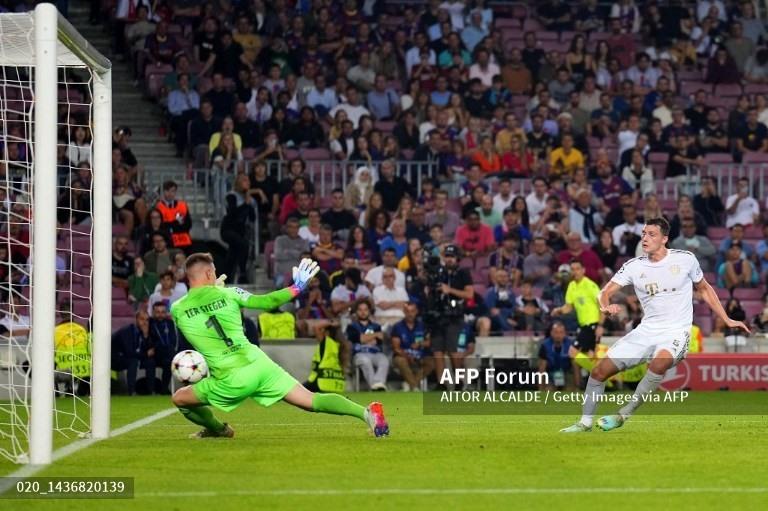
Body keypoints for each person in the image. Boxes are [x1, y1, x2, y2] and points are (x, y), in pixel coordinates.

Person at [561, 218, 749, 433]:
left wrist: (726, 319)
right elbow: (605, 292)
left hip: (676, 331)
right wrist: (604, 307)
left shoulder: (686, 259)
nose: (645, 238)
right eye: (643, 234)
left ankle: (624, 413)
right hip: (646, 330)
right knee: (599, 371)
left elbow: (704, 289)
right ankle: (584, 423)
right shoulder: (633, 266)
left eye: (651, 234)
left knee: (659, 364)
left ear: (665, 238)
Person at [170, 254, 389, 438]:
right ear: (209, 274)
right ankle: (367, 413)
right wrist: (297, 287)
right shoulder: (231, 293)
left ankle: (218, 429)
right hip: (259, 364)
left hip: (230, 376)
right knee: (311, 400)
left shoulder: (177, 308)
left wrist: (212, 291)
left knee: (180, 398)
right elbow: (267, 302)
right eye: (215, 272)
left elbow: (201, 311)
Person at [346, 299, 389, 391]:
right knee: (365, 361)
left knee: (384, 360)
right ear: (356, 312)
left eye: (365, 310)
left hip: (375, 353)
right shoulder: (351, 327)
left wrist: (365, 338)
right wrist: (374, 335)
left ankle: (378, 384)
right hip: (359, 354)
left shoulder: (376, 326)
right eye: (360, 310)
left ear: (369, 311)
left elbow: (379, 340)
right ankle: (375, 386)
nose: (363, 312)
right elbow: (360, 339)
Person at [111, 310, 155, 395]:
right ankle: (131, 391)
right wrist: (145, 354)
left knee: (150, 362)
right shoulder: (127, 331)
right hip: (116, 359)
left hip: (134, 356)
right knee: (133, 362)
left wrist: (146, 336)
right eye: (142, 319)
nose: (145, 322)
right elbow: (129, 352)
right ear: (136, 319)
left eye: (147, 320)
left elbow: (150, 350)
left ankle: (151, 391)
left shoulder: (147, 331)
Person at [537, 321, 575, 390]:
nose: (558, 335)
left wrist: (577, 387)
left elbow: (575, 367)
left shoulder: (570, 345)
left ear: (565, 334)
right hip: (550, 373)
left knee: (570, 390)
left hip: (566, 373)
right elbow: (542, 369)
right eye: (556, 332)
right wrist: (541, 389)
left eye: (561, 332)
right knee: (548, 390)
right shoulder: (545, 346)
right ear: (551, 333)